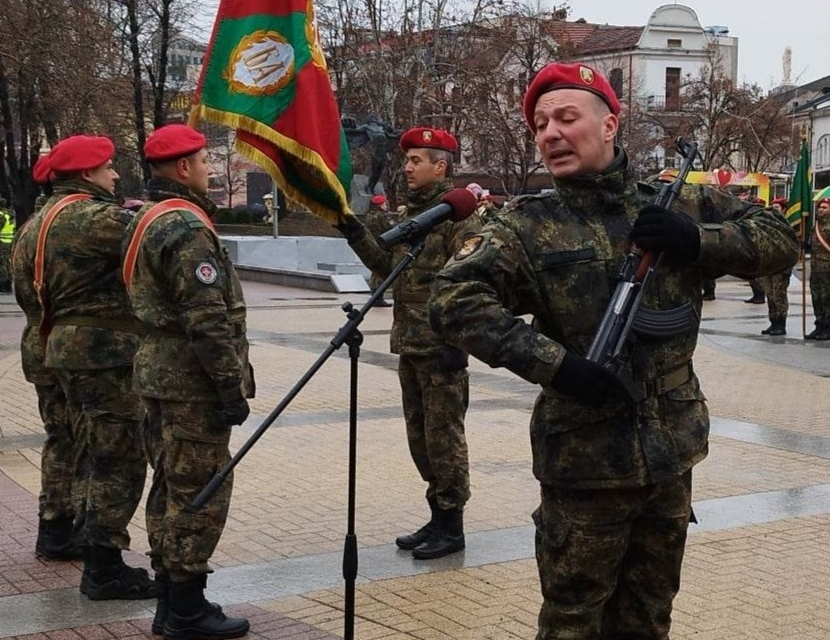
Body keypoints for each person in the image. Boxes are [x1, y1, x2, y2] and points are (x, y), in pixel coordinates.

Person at [428, 62, 799, 639]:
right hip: (584, 465)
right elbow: (452, 299)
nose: (550, 132)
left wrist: (696, 240)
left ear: (609, 125)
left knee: (649, 618)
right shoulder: (525, 227)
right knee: (573, 623)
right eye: (540, 124)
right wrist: (557, 365)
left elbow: (780, 237)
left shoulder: (677, 205)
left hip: (670, 457)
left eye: (566, 118)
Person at [123, 124, 254, 638]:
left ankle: (168, 600)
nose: (207, 168)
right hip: (189, 383)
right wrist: (229, 387)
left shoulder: (146, 217)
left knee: (170, 487)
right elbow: (206, 318)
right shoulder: (185, 227)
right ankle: (186, 610)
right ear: (182, 168)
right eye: (202, 161)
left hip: (159, 375)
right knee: (200, 492)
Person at [336, 126, 481, 560]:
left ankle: (452, 526)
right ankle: (436, 516)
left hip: (442, 351)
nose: (407, 167)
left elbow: (472, 282)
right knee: (420, 438)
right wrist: (351, 228)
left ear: (441, 167)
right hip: (411, 347)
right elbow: (385, 264)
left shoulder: (459, 220)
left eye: (417, 160)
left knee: (444, 439)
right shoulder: (415, 219)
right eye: (406, 160)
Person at [35, 135, 153, 601]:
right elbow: (159, 232)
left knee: (88, 450)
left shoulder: (39, 220)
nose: (116, 175)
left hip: (62, 348)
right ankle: (105, 568)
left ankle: (91, 547)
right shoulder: (92, 218)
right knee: (118, 459)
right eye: (108, 168)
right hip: (103, 355)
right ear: (86, 175)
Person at [10, 156, 85, 561]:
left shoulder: (28, 229)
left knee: (60, 439)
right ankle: (68, 528)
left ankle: (54, 528)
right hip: (70, 350)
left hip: (39, 346)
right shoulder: (66, 226)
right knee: (80, 440)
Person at [760, 197, 793, 336]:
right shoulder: (769, 223)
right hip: (769, 265)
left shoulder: (788, 225)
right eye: (772, 207)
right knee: (770, 294)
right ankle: (773, 322)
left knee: (779, 295)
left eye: (777, 207)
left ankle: (781, 323)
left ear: (784, 210)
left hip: (782, 266)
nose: (774, 210)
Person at [363, 194, 394, 307]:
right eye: (385, 204)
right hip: (382, 245)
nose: (386, 206)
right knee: (381, 272)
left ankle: (374, 296)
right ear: (380, 204)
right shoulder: (382, 216)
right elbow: (389, 229)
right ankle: (378, 298)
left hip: (372, 245)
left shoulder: (368, 215)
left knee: (374, 271)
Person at [806, 198, 830, 340]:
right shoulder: (815, 226)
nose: (821, 210)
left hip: (828, 269)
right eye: (820, 207)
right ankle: (819, 325)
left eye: (825, 207)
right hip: (816, 269)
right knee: (817, 298)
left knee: (827, 299)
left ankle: (828, 327)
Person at [0, 196, 14, 292]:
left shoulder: (1, 215)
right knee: (7, 263)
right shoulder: (8, 214)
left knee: (2, 263)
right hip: (8, 241)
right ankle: (8, 283)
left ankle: (3, 283)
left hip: (2, 242)